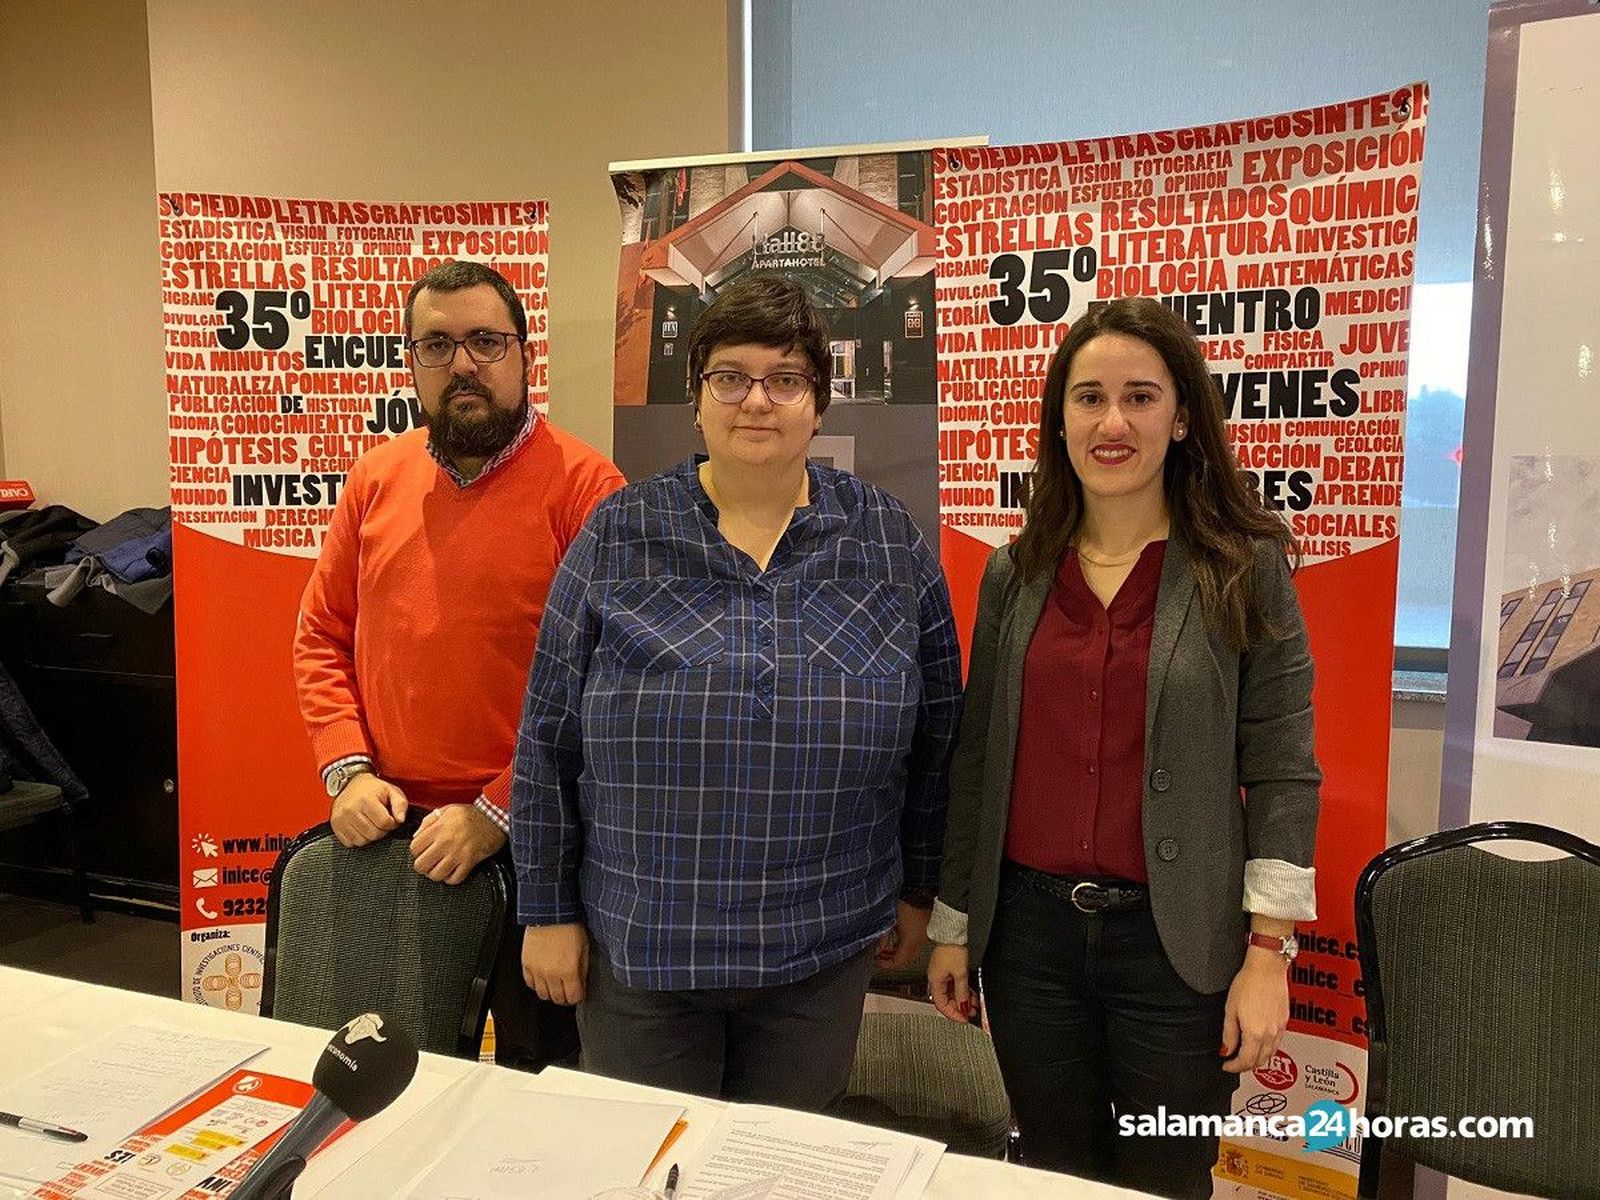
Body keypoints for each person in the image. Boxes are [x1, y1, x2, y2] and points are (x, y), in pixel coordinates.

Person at [512, 275, 962, 1109]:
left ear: (818, 404)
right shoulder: (618, 536)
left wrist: (919, 890)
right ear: (697, 399)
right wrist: (546, 909)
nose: (757, 400)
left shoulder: (889, 541)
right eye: (730, 376)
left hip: (820, 954)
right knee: (644, 1170)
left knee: (778, 1172)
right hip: (644, 952)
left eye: (785, 379)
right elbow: (546, 741)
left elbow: (939, 736)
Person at [927, 298, 1320, 1197]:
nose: (1113, 422)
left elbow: (1284, 768)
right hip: (1028, 945)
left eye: (1140, 397)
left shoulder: (1243, 564)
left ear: (1182, 418)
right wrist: (955, 924)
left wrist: (1270, 955)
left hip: (1177, 950)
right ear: (1058, 418)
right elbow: (979, 764)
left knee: (1164, 1180)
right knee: (1055, 1179)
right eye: (1088, 397)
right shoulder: (1013, 573)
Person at [293, 259, 625, 1069]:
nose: (463, 364)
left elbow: (610, 686)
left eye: (485, 341)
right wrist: (346, 772)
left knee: (537, 1084)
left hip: (539, 846)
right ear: (411, 363)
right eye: (437, 346)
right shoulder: (376, 479)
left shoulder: (589, 490)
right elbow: (320, 636)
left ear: (523, 356)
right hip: (389, 829)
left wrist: (495, 812)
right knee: (385, 1074)